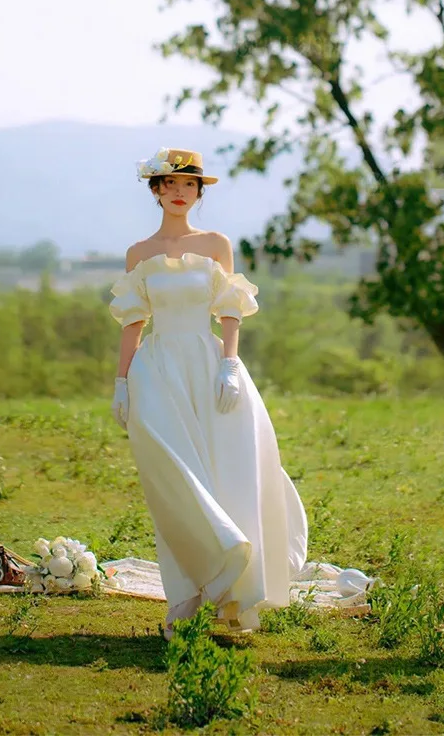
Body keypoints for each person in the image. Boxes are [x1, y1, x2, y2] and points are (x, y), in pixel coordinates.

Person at [109, 147, 308, 640]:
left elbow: (230, 310)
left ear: (198, 193)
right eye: (170, 185)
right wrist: (121, 381)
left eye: (189, 186)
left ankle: (229, 590)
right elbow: (133, 323)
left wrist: (231, 363)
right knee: (173, 477)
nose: (179, 193)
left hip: (209, 364)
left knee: (223, 472)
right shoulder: (139, 253)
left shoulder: (217, 243)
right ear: (155, 191)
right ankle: (184, 595)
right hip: (157, 370)